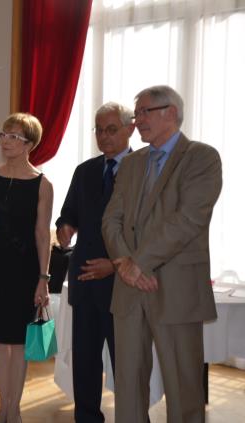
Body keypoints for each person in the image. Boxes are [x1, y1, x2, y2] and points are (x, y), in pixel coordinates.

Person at [102, 85, 222, 423]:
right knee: (127, 385)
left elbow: (188, 220)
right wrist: (125, 264)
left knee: (183, 389)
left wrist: (138, 263)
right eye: (135, 114)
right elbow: (111, 219)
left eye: (143, 113)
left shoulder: (201, 157)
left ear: (170, 112)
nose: (136, 121)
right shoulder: (131, 163)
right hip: (129, 290)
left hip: (176, 289)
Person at [0, 113, 53, 423]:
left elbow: (43, 235)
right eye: (3, 134)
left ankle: (14, 409)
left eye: (13, 136)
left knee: (19, 342)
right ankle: (2, 406)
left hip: (25, 268)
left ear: (30, 143)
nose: (5, 140)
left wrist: (43, 279)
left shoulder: (43, 184)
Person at [56, 102, 134, 422]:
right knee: (85, 362)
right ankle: (87, 417)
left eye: (111, 129)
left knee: (125, 363)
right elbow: (69, 212)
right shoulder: (85, 170)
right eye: (99, 130)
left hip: (123, 283)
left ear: (130, 129)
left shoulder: (142, 170)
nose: (103, 136)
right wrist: (65, 227)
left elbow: (147, 231)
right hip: (85, 280)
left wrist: (114, 265)